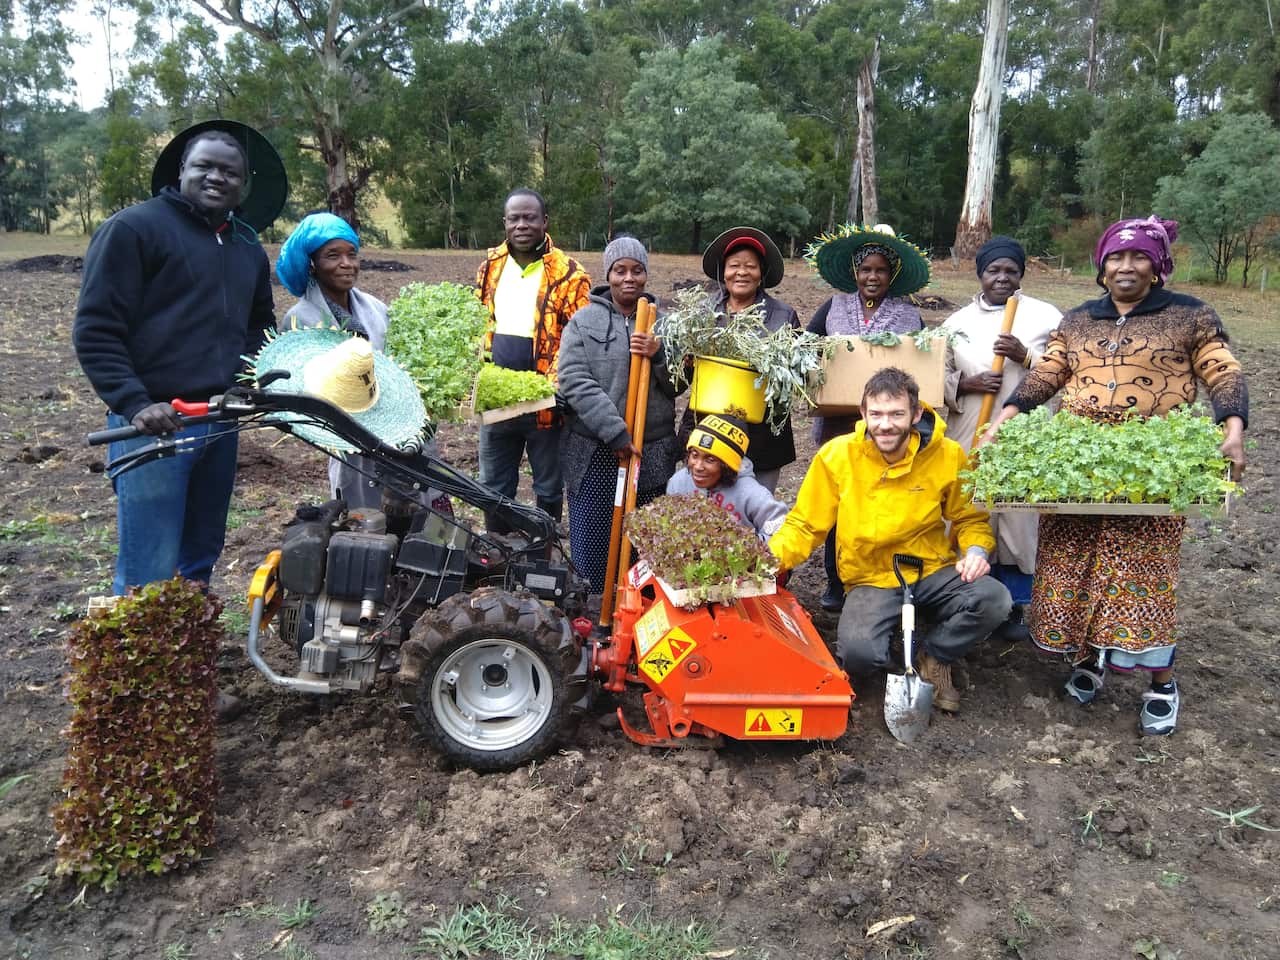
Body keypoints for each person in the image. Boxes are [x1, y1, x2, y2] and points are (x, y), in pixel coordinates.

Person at [981, 216, 1248, 736]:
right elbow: (1046, 375)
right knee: (1075, 569)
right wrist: (1003, 422)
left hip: (1146, 470)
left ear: (1158, 265)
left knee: (1139, 579)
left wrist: (1232, 427)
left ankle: (1160, 683)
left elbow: (1224, 369)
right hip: (1078, 470)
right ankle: (1090, 662)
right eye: (1116, 258)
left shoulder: (1189, 316)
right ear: (1101, 267)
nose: (1126, 267)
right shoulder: (1080, 319)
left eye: (1139, 257)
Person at [73, 120, 285, 596]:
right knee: (149, 564)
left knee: (199, 555)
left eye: (229, 171)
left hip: (220, 419)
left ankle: (189, 658)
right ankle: (143, 662)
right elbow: (96, 329)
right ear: (181, 170)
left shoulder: (246, 246)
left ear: (243, 182)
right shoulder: (134, 229)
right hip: (155, 426)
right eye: (204, 167)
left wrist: (246, 380)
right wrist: (134, 401)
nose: (216, 178)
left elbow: (258, 326)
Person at [769, 367, 1012, 713]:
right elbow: (806, 524)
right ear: (863, 413)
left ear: (915, 413)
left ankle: (936, 655)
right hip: (870, 576)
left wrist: (975, 550)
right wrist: (769, 560)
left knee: (993, 599)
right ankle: (893, 640)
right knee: (859, 657)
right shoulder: (838, 456)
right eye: (877, 414)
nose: (885, 424)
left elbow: (969, 518)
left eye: (897, 414)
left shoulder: (947, 455)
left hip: (929, 568)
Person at [804, 223, 931, 611]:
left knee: (879, 501)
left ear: (890, 274)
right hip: (839, 424)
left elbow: (923, 366)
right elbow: (806, 346)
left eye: (879, 270)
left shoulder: (909, 316)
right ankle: (834, 581)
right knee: (838, 500)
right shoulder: (834, 307)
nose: (871, 277)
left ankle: (875, 579)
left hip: (887, 426)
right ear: (855, 273)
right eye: (865, 270)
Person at [941, 236, 1061, 636]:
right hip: (969, 430)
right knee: (972, 512)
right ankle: (966, 594)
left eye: (1011, 270)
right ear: (980, 274)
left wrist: (1026, 357)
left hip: (1024, 436)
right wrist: (966, 383)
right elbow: (931, 378)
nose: (1002, 278)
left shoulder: (1046, 318)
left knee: (1017, 518)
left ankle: (1014, 608)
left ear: (1022, 274)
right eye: (994, 270)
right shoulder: (955, 324)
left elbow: (1069, 371)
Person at [556, 236, 678, 591]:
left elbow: (678, 385)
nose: (629, 278)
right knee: (594, 543)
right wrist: (616, 433)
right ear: (607, 274)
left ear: (646, 274)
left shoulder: (665, 324)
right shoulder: (583, 321)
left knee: (646, 548)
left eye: (637, 271)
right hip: (595, 450)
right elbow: (575, 381)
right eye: (620, 270)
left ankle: (639, 619)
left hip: (651, 450)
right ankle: (594, 612)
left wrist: (658, 354)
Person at [475, 188, 592, 527]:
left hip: (546, 402)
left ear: (544, 222)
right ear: (505, 223)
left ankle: (545, 550)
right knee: (494, 485)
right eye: (514, 218)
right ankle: (498, 548)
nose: (522, 225)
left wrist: (554, 389)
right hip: (495, 399)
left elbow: (576, 338)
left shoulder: (569, 273)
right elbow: (480, 323)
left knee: (548, 486)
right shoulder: (490, 268)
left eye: (530, 217)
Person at [276, 212, 390, 508]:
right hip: (347, 435)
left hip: (393, 427)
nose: (346, 264)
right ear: (311, 264)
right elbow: (304, 390)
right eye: (333, 255)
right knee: (361, 516)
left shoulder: (375, 308)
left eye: (352, 254)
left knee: (410, 508)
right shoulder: (300, 320)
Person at [684, 226, 800, 494]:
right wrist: (688, 362)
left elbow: (796, 377)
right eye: (734, 265)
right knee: (709, 518)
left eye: (751, 266)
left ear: (762, 274)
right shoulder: (703, 313)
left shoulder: (783, 315)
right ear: (723, 272)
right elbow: (685, 375)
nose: (742, 272)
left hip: (763, 441)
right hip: (708, 431)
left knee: (753, 515)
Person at [667, 414, 789, 538]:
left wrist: (744, 548)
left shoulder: (752, 494)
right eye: (694, 455)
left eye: (710, 460)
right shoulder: (678, 482)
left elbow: (782, 534)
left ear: (727, 465)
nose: (698, 466)